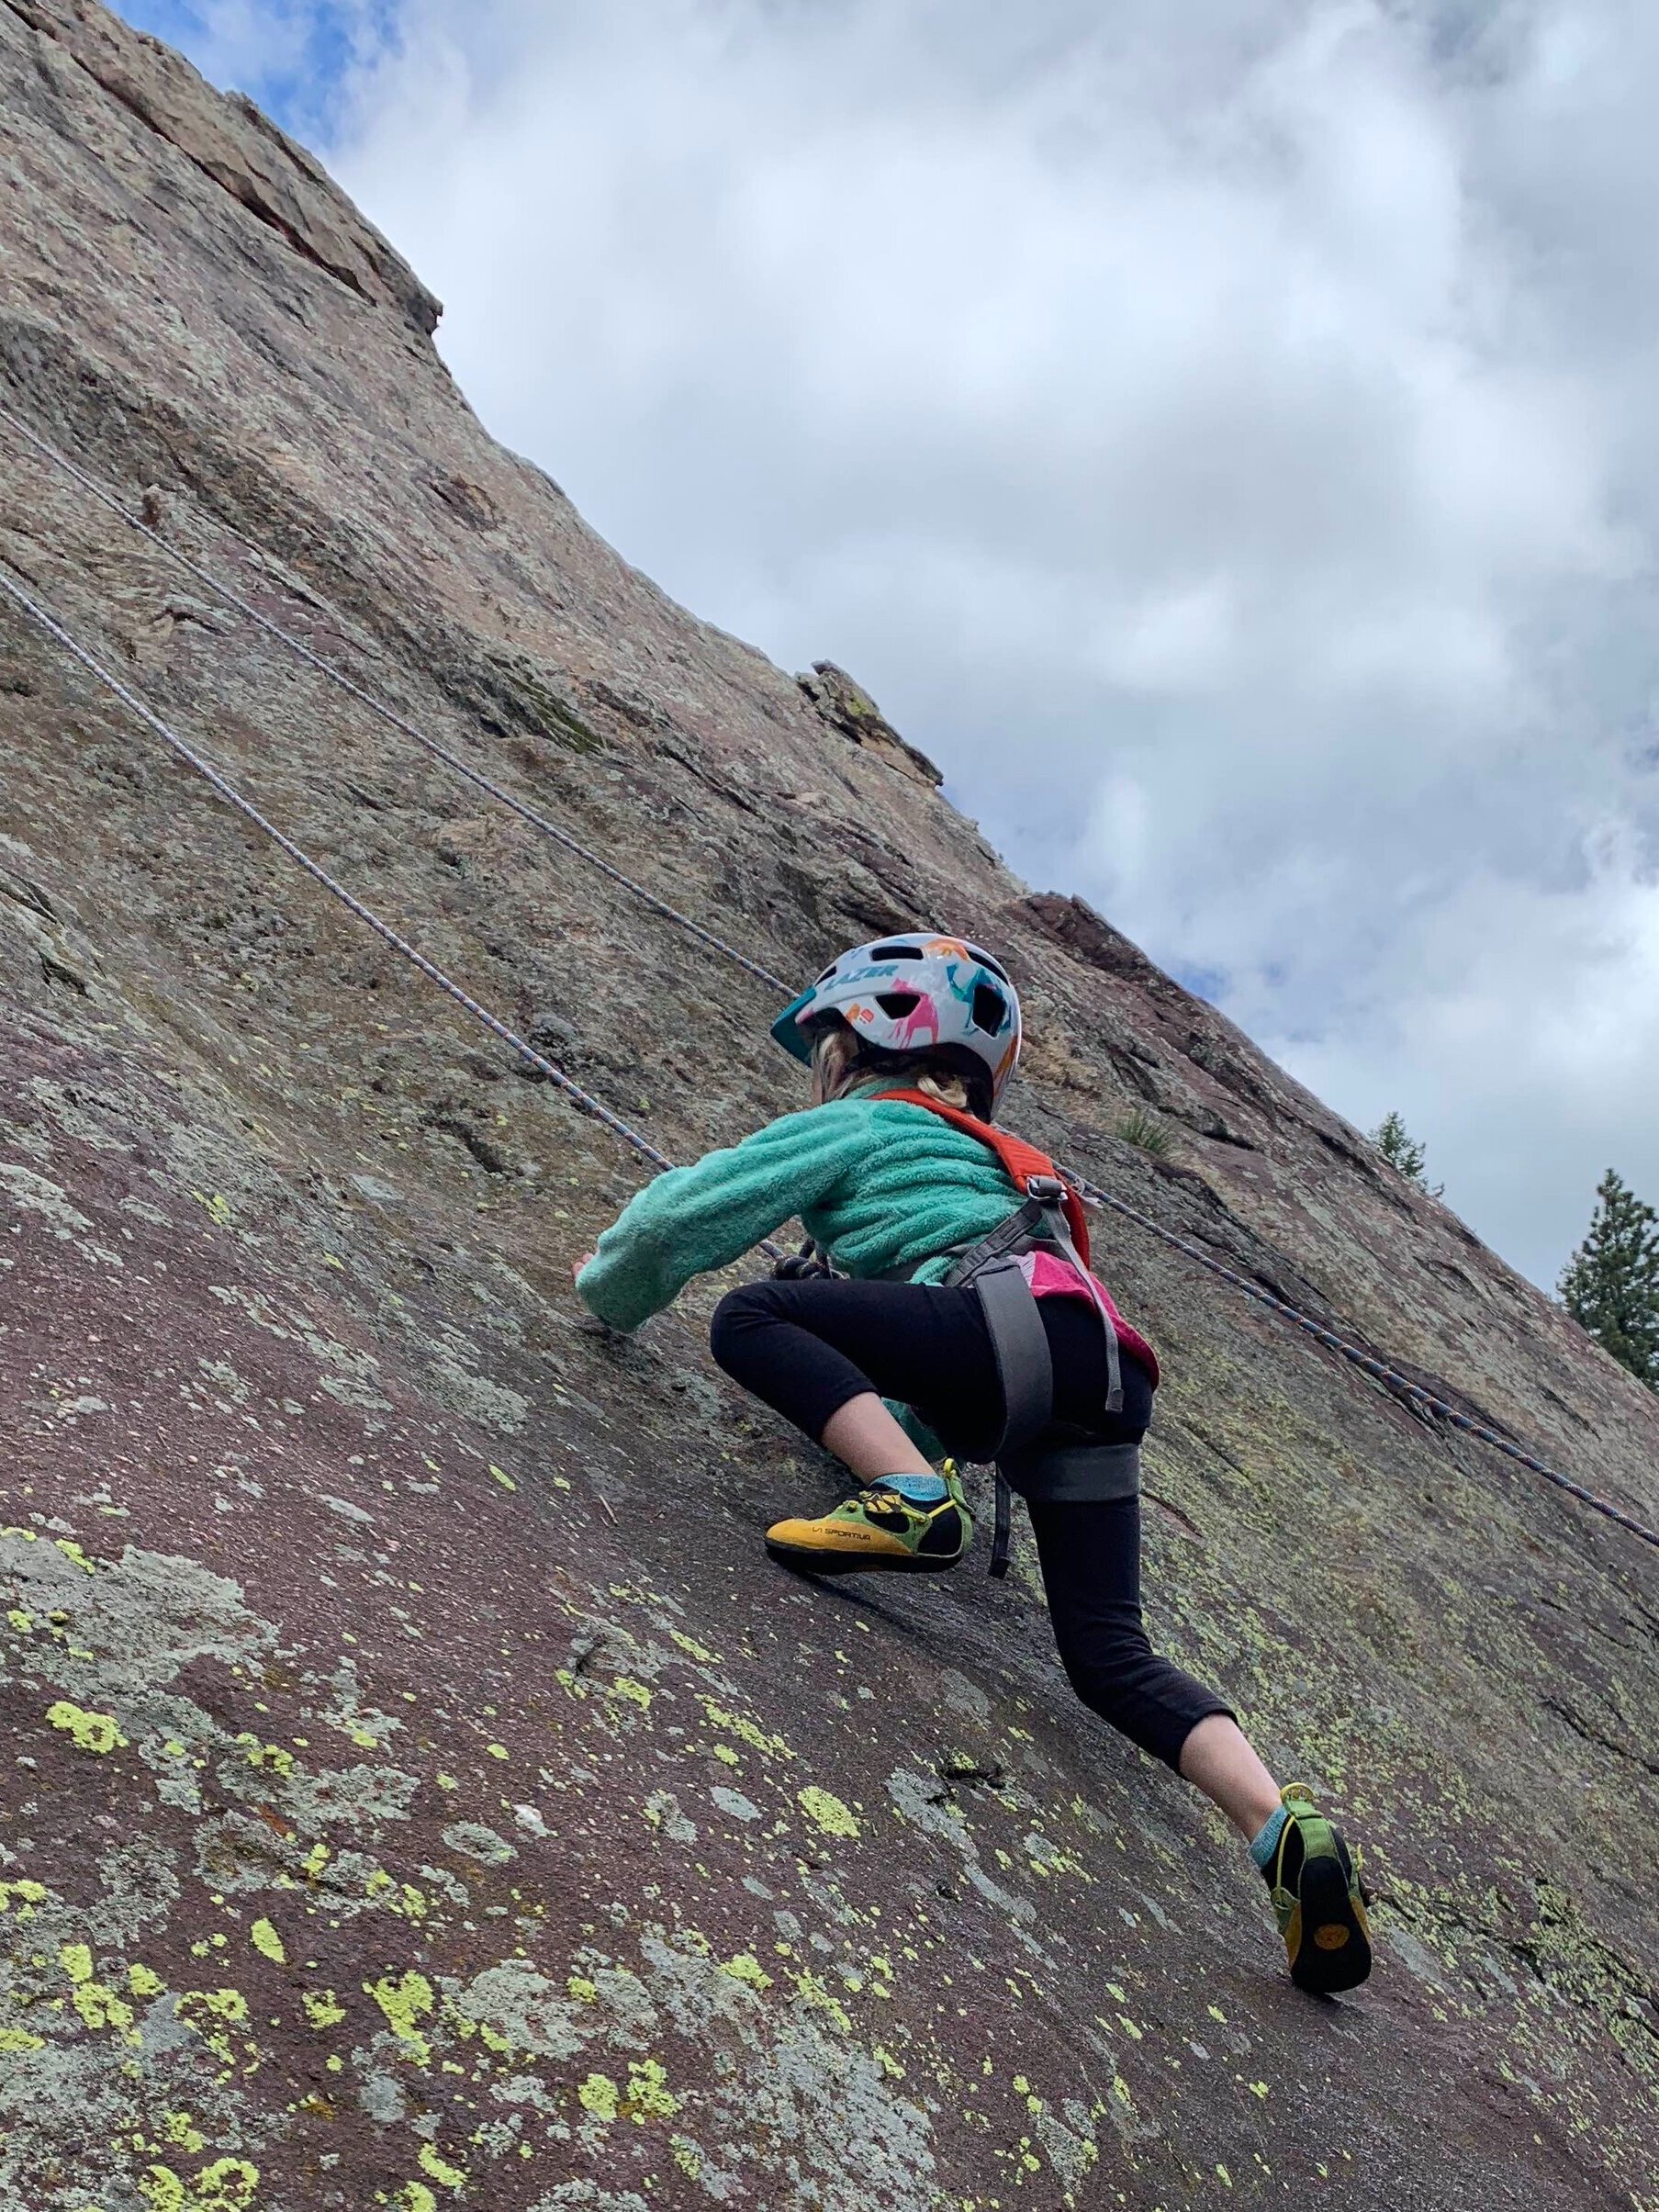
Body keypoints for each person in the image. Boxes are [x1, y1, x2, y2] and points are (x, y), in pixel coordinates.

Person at [576, 932, 1372, 1993]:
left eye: (824, 1039)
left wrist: (607, 1294)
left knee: (752, 1312)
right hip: (1097, 1375)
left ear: (860, 1038)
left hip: (992, 1332)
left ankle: (906, 1495)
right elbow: (955, 1383)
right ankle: (1278, 1827)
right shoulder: (1015, 1168)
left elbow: (683, 1218)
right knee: (1106, 1653)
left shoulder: (859, 1122)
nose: (818, 1062)